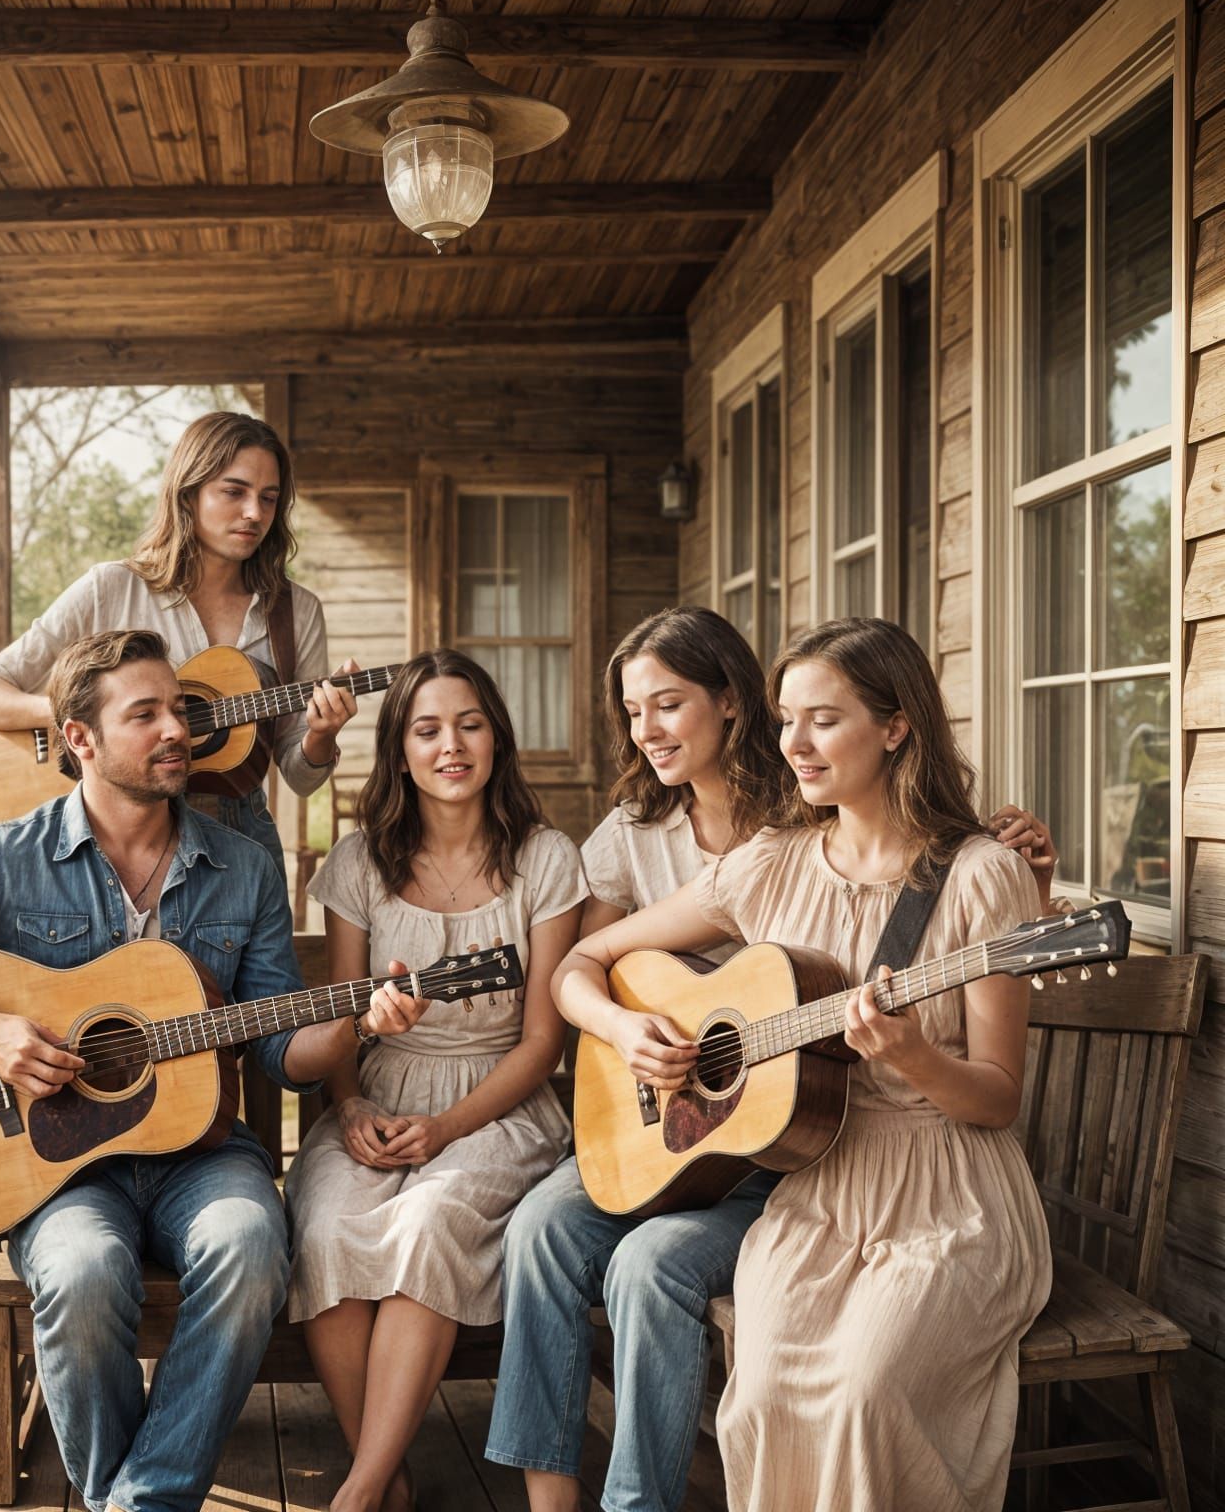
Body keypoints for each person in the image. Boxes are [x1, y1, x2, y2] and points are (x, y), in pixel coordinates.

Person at [0, 629, 426, 1512]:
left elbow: (280, 1053)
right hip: (60, 1172)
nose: (177, 729)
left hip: (203, 1156)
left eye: (179, 708)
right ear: (80, 739)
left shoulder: (244, 870)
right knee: (81, 1270)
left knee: (252, 1246)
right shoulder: (5, 857)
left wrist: (357, 1027)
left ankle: (136, 1503)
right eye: (147, 715)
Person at [551, 617, 1054, 1512]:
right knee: (763, 1394)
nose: (793, 744)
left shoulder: (982, 876)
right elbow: (580, 967)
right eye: (786, 720)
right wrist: (627, 1035)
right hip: (817, 1192)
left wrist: (915, 1058)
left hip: (948, 1197)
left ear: (897, 726)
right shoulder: (769, 865)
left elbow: (998, 1098)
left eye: (822, 720)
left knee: (863, 1391)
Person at [486, 606, 787, 1512]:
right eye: (631, 711)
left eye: (668, 704)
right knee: (539, 1229)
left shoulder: (806, 822)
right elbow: (574, 976)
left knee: (643, 1262)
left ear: (730, 702)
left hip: (781, 1141)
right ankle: (550, 1503)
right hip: (662, 1126)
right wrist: (622, 1031)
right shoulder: (633, 831)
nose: (645, 730)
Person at [284, 649, 588, 1512]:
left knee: (427, 1222)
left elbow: (543, 1043)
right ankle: (390, 1476)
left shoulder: (545, 858)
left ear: (497, 738)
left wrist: (449, 1129)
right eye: (427, 730)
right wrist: (347, 1109)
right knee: (328, 1228)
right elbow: (343, 1015)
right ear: (400, 749)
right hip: (376, 1096)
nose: (450, 746)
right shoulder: (359, 861)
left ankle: (360, 1493)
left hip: (500, 1103)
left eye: (469, 725)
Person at [0, 411, 357, 876]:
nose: (254, 513)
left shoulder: (296, 612)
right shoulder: (111, 588)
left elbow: (299, 776)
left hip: (237, 837)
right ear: (188, 494)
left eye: (268, 499)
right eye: (234, 492)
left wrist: (322, 734)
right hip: (115, 836)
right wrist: (90, 718)